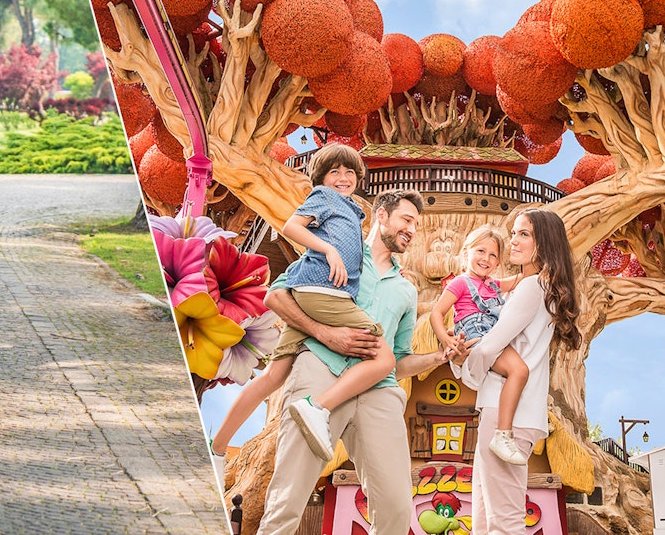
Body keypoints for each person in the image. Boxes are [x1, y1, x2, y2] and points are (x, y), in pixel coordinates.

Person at [256, 189, 446, 535]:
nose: (412, 230)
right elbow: (276, 296)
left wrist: (438, 357)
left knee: (397, 507)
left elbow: (398, 360)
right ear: (382, 216)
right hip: (321, 369)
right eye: (406, 220)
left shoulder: (406, 291)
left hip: (379, 391)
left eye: (416, 225)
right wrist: (325, 334)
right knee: (288, 497)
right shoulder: (336, 254)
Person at [210, 145, 396, 470]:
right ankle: (319, 408)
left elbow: (357, 250)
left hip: (307, 295)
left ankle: (217, 448)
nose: (343, 177)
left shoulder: (353, 212)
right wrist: (329, 251)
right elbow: (291, 227)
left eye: (349, 171)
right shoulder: (323, 197)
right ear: (322, 177)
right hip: (323, 292)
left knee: (272, 376)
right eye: (334, 171)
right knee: (382, 356)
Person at [451, 208, 581, 534]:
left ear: (544, 244)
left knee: (503, 521)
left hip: (505, 415)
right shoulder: (536, 286)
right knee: (484, 517)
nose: (513, 241)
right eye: (514, 233)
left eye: (524, 234)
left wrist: (464, 371)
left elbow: (490, 345)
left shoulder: (532, 287)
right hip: (513, 412)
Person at [429, 226, 526, 464]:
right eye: (481, 251)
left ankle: (504, 428)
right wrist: (446, 339)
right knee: (519, 371)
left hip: (493, 334)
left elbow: (520, 280)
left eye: (493, 255)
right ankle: (502, 435)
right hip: (476, 334)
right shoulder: (460, 283)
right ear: (466, 252)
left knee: (518, 372)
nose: (486, 258)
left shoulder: (493, 285)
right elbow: (436, 313)